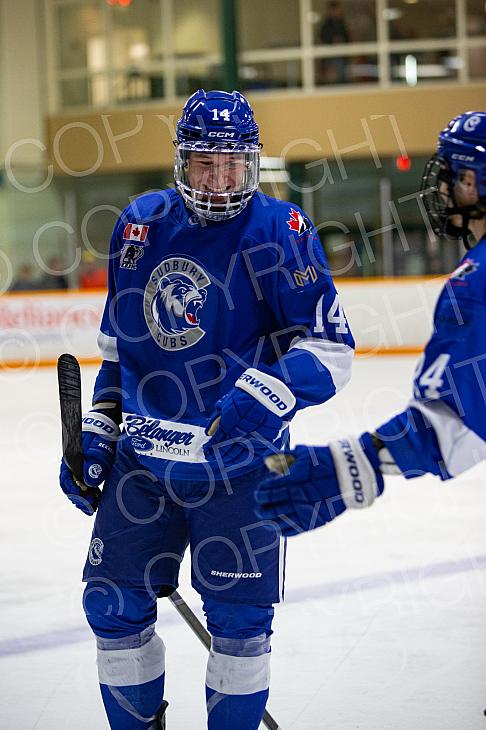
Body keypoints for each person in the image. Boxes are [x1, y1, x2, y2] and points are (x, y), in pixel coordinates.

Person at [59, 89, 355, 729]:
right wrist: (99, 431)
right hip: (144, 468)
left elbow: (331, 351)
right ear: (180, 163)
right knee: (110, 606)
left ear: (252, 165)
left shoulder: (281, 232)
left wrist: (268, 390)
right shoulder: (139, 226)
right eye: (205, 164)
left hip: (239, 470)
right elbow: (120, 356)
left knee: (240, 626)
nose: (220, 181)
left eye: (234, 165)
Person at [256, 111, 486, 537]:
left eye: (452, 174)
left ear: (473, 181)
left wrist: (354, 461)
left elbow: (454, 423)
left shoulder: (477, 282)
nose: (442, 187)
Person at [318, 0, 350, 84]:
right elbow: (323, 38)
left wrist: (343, 41)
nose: (337, 12)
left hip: (342, 57)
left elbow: (348, 38)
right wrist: (333, 41)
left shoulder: (342, 23)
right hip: (330, 58)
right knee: (334, 81)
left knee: (343, 79)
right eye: (335, 10)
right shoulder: (326, 25)